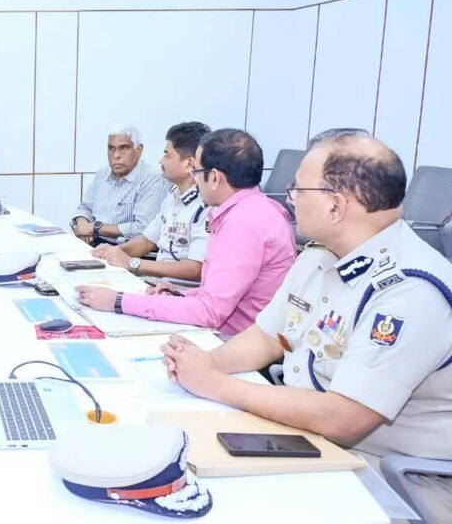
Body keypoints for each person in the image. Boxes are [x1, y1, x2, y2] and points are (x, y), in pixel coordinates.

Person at [159, 131, 452, 520]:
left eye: (298, 189)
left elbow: (344, 418)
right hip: (309, 436)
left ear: (335, 206)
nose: (290, 198)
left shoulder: (410, 290)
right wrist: (205, 364)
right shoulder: (319, 255)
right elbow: (267, 337)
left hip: (386, 474)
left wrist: (215, 384)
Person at [78, 128, 296, 337]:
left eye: (197, 172)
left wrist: (118, 301)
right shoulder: (253, 209)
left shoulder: (243, 224)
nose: (195, 180)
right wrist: (179, 295)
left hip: (228, 339)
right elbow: (216, 294)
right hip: (228, 330)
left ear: (215, 177)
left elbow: (209, 311)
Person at [93, 122, 211, 282]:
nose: (161, 161)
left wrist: (132, 263)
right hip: (157, 284)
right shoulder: (173, 195)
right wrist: (112, 253)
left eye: (167, 155)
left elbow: (196, 269)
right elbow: (147, 241)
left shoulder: (206, 204)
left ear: (189, 163)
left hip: (180, 291)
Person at [71, 125, 168, 246]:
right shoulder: (103, 173)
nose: (116, 155)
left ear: (139, 149)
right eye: (111, 148)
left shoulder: (152, 178)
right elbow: (85, 208)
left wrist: (94, 227)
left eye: (124, 148)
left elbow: (143, 229)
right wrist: (82, 225)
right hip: (91, 242)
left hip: (125, 249)